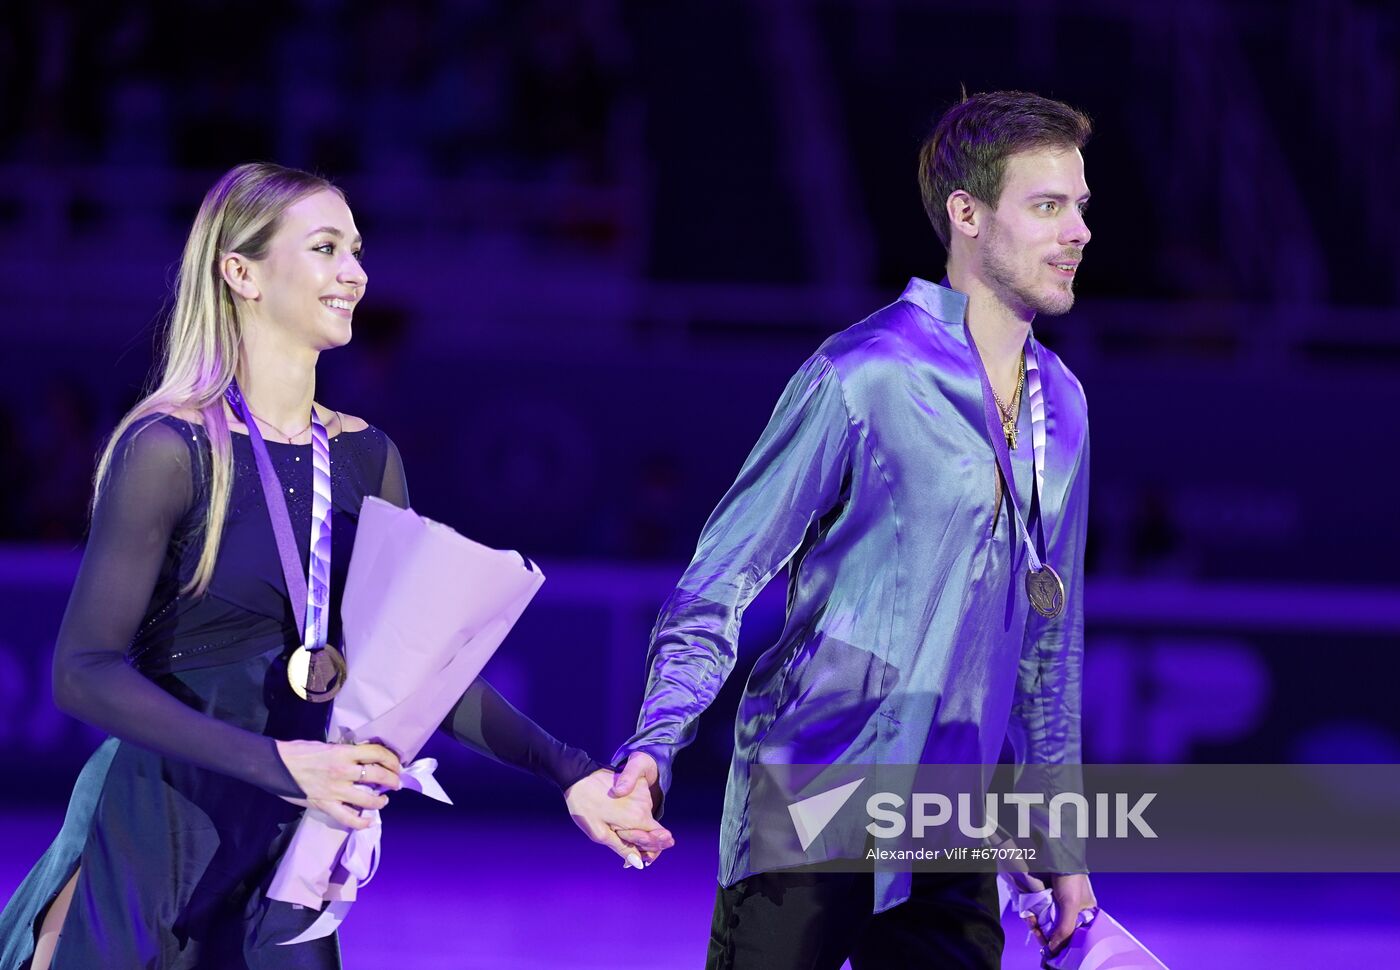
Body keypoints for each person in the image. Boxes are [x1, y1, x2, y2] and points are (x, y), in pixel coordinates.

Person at [0, 162, 670, 970]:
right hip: (159, 836)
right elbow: (82, 672)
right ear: (240, 272)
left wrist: (570, 774)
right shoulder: (171, 448)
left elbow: (418, 674)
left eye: (356, 249)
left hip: (293, 861)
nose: (354, 273)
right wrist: (281, 763)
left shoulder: (365, 458)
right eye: (324, 248)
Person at [608, 90, 1099, 968]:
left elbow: (1047, 650)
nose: (1078, 233)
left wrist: (1057, 843)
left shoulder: (1064, 403)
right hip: (812, 798)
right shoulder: (861, 375)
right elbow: (722, 577)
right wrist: (656, 741)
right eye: (1048, 206)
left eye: (1081, 208)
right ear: (968, 216)